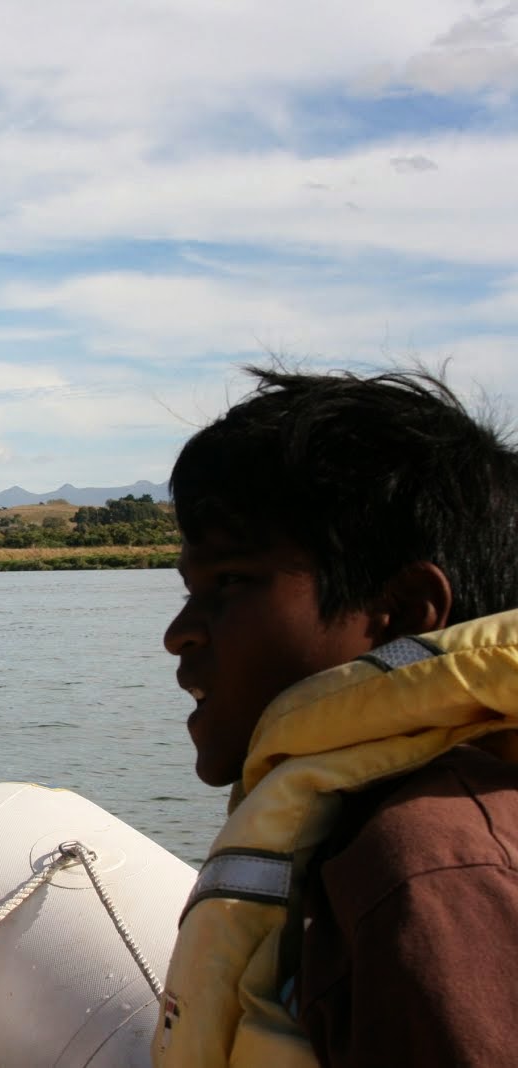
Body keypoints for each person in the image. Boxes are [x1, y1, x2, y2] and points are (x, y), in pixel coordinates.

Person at [152, 367, 518, 1067]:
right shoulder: (358, 831)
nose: (179, 633)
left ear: (402, 616)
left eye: (230, 581)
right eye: (189, 588)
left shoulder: (427, 865)